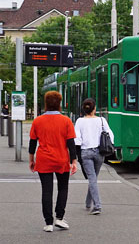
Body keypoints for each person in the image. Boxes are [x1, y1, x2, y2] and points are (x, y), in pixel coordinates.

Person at [28, 91, 78, 232]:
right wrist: (73, 161)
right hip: (61, 159)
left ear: (46, 104)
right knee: (63, 188)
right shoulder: (66, 120)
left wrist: (31, 160)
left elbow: (32, 143)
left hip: (43, 160)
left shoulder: (37, 121)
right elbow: (71, 144)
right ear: (59, 104)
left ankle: (48, 223)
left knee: (46, 190)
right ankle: (60, 218)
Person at [74, 98, 114, 215]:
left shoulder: (79, 121)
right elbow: (110, 135)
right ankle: (88, 203)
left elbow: (77, 140)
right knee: (93, 178)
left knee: (92, 179)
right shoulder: (101, 120)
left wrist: (77, 157)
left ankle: (97, 206)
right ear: (94, 108)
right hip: (99, 152)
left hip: (85, 152)